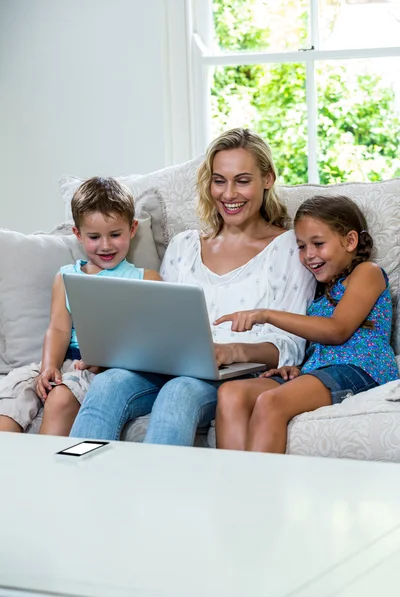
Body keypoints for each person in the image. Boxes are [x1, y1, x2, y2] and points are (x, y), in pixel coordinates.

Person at [69, 127, 316, 445]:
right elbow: (156, 321)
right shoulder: (184, 245)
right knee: (107, 384)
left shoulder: (289, 250)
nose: (228, 194)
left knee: (180, 391)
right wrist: (117, 352)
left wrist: (231, 351)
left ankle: (162, 494)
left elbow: (291, 347)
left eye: (242, 180)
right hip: (164, 365)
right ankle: (78, 489)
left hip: (232, 374)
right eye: (219, 180)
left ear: (267, 179)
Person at [214, 195, 399, 453]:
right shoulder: (322, 290)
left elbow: (336, 330)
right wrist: (297, 368)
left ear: (350, 240)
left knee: (271, 402)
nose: (309, 255)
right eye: (301, 246)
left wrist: (266, 314)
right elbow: (319, 342)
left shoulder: (367, 272)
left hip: (359, 367)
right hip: (319, 370)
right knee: (231, 394)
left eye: (318, 244)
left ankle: (256, 492)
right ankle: (230, 490)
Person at [0, 177, 161, 436]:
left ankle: (47, 471)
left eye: (115, 234)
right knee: (13, 392)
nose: (106, 245)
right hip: (64, 360)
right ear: (78, 234)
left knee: (62, 397)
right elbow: (59, 329)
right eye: (94, 237)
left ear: (132, 229)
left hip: (99, 369)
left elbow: (152, 340)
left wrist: (108, 360)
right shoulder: (66, 277)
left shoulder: (147, 279)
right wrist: (49, 366)